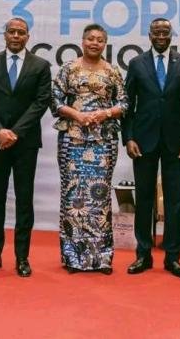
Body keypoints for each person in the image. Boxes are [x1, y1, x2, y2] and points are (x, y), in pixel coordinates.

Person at [0, 18, 51, 277]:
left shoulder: (40, 65)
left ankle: (22, 258)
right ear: (5, 35)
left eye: (21, 32)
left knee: (24, 201)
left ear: (28, 37)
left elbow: (41, 102)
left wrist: (15, 132)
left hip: (25, 143)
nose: (16, 36)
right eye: (12, 32)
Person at [122, 18, 180, 278]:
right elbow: (127, 106)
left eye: (166, 32)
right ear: (149, 35)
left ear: (171, 35)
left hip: (177, 143)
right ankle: (143, 254)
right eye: (157, 32)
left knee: (174, 201)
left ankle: (173, 257)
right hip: (143, 142)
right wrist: (128, 137)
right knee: (144, 199)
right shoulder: (136, 63)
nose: (161, 36)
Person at [51, 24, 127, 274]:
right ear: (82, 41)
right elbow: (55, 100)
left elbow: (124, 103)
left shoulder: (112, 71)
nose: (95, 43)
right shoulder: (68, 68)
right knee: (73, 196)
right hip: (72, 139)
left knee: (100, 197)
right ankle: (73, 257)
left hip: (104, 141)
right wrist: (77, 115)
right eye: (91, 39)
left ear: (105, 43)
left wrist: (105, 113)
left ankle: (101, 258)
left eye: (100, 40)